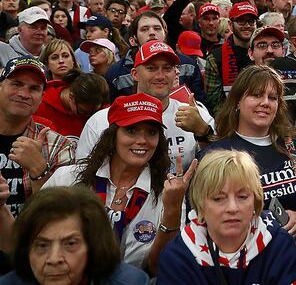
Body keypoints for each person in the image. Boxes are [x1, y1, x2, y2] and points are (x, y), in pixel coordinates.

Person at [44, 93, 195, 272]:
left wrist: (172, 209)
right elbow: (32, 237)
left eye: (151, 132)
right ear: (112, 135)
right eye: (131, 130)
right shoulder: (67, 179)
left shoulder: (168, 192)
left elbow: (158, 268)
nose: (142, 141)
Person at [156, 150, 296, 285]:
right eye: (218, 198)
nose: (232, 208)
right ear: (200, 204)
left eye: (242, 197)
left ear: (255, 201)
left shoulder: (279, 244)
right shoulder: (177, 256)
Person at [206, 65, 296, 235]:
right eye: (256, 95)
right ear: (237, 101)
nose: (265, 103)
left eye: (272, 97)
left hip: (294, 248)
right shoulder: (217, 155)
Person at [77, 40, 215, 173]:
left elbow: (217, 168)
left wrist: (202, 132)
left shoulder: (196, 114)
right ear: (135, 74)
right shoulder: (101, 120)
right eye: (151, 68)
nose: (160, 76)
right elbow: (83, 173)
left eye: (167, 68)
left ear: (176, 73)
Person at [1, 186, 148, 284]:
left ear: (93, 247)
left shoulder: (130, 282)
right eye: (42, 245)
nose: (54, 259)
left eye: (70, 244)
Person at [0, 57, 75, 217]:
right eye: (16, 84)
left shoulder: (59, 146)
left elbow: (61, 217)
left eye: (34, 88)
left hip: (30, 240)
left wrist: (39, 170)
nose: (23, 94)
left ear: (41, 97)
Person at [205, 2, 258, 113]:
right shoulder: (215, 57)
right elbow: (214, 101)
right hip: (229, 118)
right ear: (230, 24)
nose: (247, 25)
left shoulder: (264, 53)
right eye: (241, 21)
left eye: (251, 21)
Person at [34, 69, 107, 137]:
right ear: (71, 97)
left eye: (95, 112)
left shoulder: (101, 108)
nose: (90, 117)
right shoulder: (39, 106)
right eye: (83, 112)